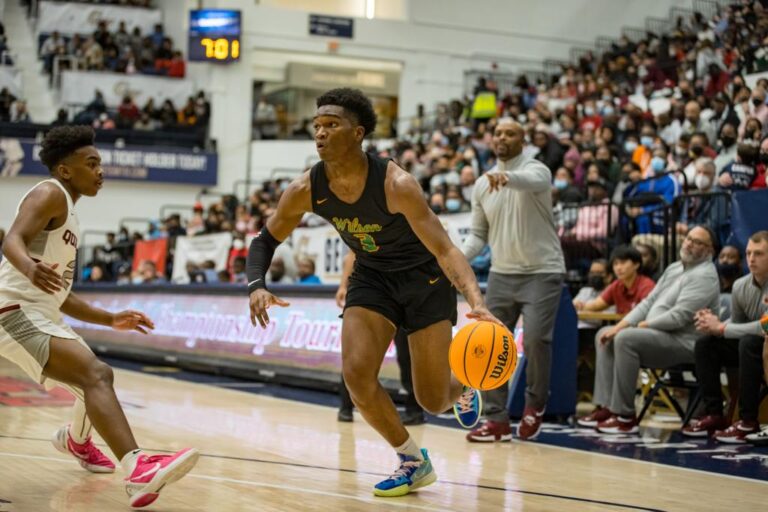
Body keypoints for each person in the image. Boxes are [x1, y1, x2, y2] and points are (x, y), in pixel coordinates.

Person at [246, 88, 499, 497]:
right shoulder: (306, 188)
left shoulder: (397, 184)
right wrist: (257, 285)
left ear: (358, 132)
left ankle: (464, 385)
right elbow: (264, 240)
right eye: (317, 126)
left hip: (424, 280)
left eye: (331, 125)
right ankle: (412, 459)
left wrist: (477, 302)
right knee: (357, 375)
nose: (320, 133)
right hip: (373, 277)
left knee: (433, 400)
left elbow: (445, 248)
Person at [0, 126, 198, 508]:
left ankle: (76, 440)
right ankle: (138, 467)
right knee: (96, 375)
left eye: (100, 164)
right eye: (91, 164)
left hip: (40, 311)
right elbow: (12, 240)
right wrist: (27, 267)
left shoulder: (70, 216)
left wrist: (110, 319)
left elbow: (60, 293)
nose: (100, 171)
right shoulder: (48, 192)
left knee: (91, 384)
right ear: (65, 170)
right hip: (13, 312)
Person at [461, 119, 566, 442]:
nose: (502, 137)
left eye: (510, 133)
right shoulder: (482, 184)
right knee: (491, 345)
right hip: (502, 274)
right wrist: (456, 258)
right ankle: (496, 420)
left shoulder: (537, 170)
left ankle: (535, 404)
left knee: (535, 340)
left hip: (543, 271)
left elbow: (529, 181)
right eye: (498, 133)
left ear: (524, 140)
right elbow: (479, 234)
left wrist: (506, 177)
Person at [585, 226, 720, 433]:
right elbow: (648, 303)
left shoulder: (704, 276)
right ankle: (606, 407)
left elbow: (679, 317)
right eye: (688, 238)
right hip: (659, 335)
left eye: (697, 242)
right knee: (604, 335)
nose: (689, 243)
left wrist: (643, 325)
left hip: (684, 342)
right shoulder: (675, 268)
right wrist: (620, 326)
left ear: (710, 250)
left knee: (626, 339)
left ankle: (625, 416)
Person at [682, 231, 768, 442]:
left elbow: (764, 327)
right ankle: (714, 414)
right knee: (706, 344)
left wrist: (722, 328)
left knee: (749, 342)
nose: (751, 259)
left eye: (759, 254)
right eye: (748, 253)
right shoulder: (740, 285)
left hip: (761, 346)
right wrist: (715, 325)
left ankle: (748, 421)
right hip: (753, 349)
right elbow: (736, 324)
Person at [335, 252, 426, 426]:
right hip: (373, 291)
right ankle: (346, 407)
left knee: (407, 356)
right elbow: (352, 254)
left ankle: (415, 410)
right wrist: (343, 285)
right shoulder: (366, 229)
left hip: (407, 290)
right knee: (356, 356)